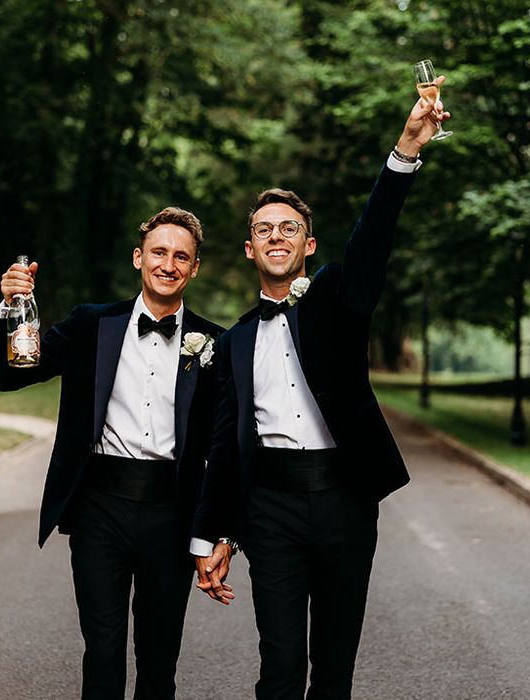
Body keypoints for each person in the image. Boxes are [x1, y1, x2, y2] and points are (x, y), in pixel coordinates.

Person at [189, 88, 451, 699]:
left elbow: (373, 239)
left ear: (307, 246)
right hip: (270, 508)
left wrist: (407, 149)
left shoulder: (337, 298)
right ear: (250, 248)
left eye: (289, 228)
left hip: (344, 499)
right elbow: (226, 447)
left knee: (333, 670)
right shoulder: (233, 342)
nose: (275, 236)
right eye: (263, 230)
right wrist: (215, 535)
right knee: (278, 668)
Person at [0, 207, 225, 699]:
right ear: (139, 258)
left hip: (172, 515)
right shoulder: (91, 325)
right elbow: (7, 376)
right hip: (99, 509)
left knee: (160, 661)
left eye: (182, 256)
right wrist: (10, 308)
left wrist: (218, 531)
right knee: (102, 652)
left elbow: (228, 448)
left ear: (195, 267)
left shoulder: (215, 344)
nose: (169, 264)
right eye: (159, 252)